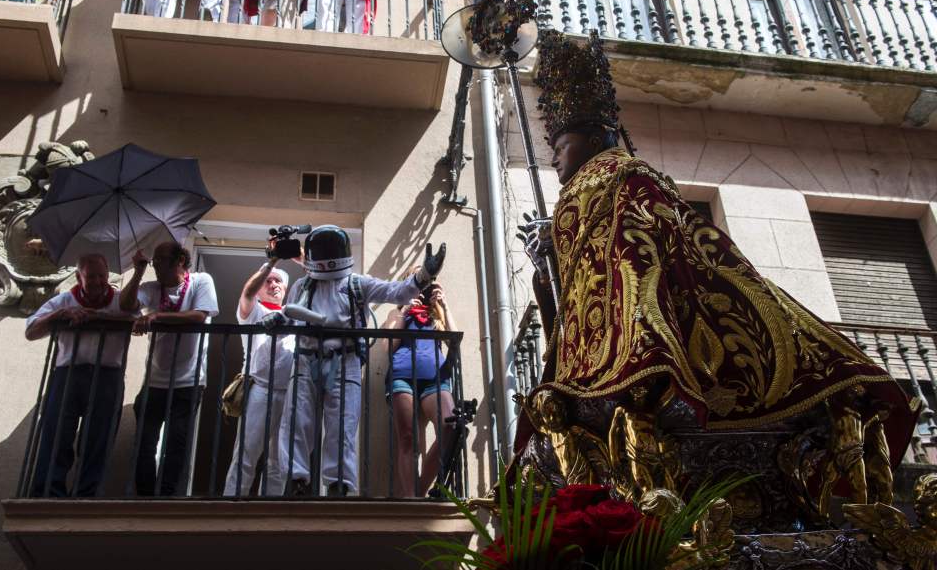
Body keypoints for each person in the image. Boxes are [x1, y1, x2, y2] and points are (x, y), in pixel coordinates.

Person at [514, 29, 917, 497]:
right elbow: (579, 296)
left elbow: (631, 260)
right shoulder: (612, 185)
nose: (557, 166)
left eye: (560, 150)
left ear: (593, 137)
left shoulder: (614, 179)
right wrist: (550, 263)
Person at [265, 225, 446, 497]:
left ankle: (339, 484)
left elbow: (396, 292)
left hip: (344, 359)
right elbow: (292, 316)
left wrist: (424, 276)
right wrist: (279, 318)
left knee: (342, 425)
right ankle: (296, 480)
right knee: (296, 421)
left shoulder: (356, 284)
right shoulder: (303, 286)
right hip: (306, 357)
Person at [25, 253, 135, 497]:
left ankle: (87, 494)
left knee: (99, 439)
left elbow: (136, 322)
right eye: (91, 276)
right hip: (68, 374)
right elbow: (30, 330)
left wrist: (96, 317)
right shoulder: (64, 300)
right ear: (78, 277)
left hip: (108, 376)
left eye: (102, 276)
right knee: (56, 434)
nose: (97, 281)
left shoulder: (120, 300)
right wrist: (60, 315)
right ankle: (49, 493)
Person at [120, 242, 219, 496]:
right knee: (144, 443)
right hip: (154, 381)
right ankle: (145, 497)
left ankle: (165, 496)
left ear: (181, 261)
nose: (157, 266)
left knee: (177, 443)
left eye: (162, 260)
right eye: (154, 261)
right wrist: (138, 272)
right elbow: (126, 305)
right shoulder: (152, 288)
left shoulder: (200, 281)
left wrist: (155, 316)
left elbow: (199, 316)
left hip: (188, 382)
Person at [223, 260, 293, 496]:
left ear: (285, 288)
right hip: (260, 390)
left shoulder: (295, 313)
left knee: (279, 460)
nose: (273, 284)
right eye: (268, 281)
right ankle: (231, 506)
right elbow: (247, 292)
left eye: (278, 281)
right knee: (246, 454)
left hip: (290, 391)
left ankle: (270, 511)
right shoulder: (254, 311)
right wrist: (271, 261)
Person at [383, 279, 456, 497]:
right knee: (408, 439)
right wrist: (405, 311)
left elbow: (455, 340)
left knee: (449, 426)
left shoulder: (438, 313)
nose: (424, 290)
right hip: (401, 377)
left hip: (435, 377)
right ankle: (412, 498)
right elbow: (388, 347)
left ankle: (419, 491)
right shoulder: (398, 313)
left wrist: (444, 305)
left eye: (429, 285)